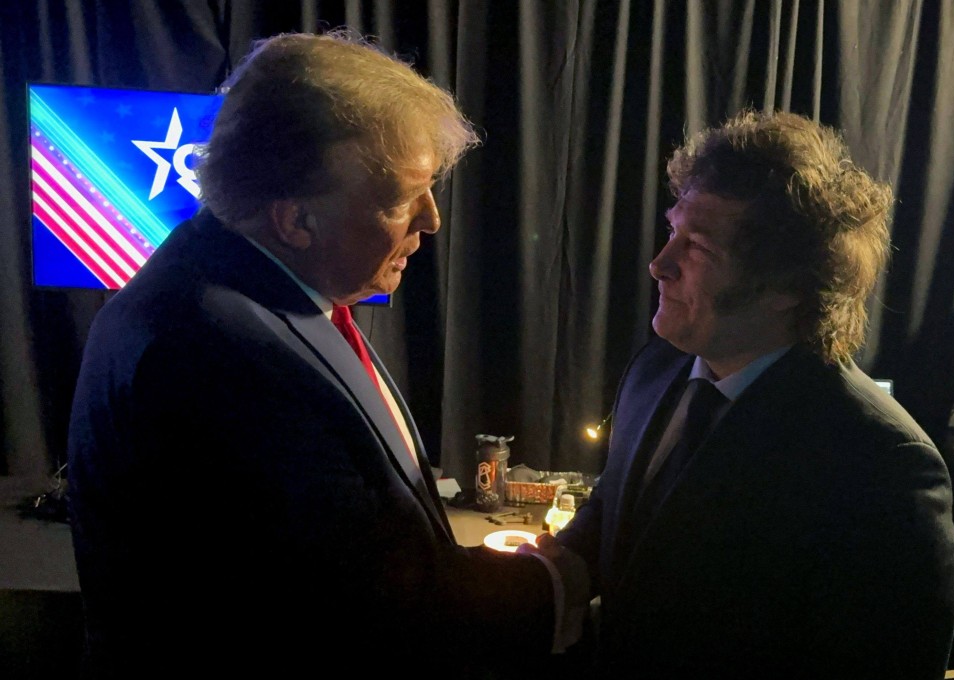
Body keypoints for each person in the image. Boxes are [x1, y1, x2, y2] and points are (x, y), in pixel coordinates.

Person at [67, 31, 584, 678]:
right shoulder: (224, 355)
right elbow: (357, 621)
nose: (430, 220)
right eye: (401, 198)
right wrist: (555, 585)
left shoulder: (246, 290)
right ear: (294, 220)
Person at [549, 110, 954, 678]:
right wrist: (555, 571)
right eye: (673, 231)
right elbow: (620, 515)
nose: (659, 264)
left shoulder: (883, 464)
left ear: (788, 288)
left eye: (698, 248)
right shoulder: (655, 370)